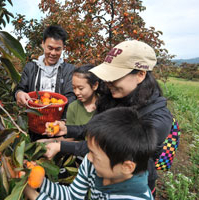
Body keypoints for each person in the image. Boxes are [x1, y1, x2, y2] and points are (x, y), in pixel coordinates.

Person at [43, 40, 173, 196]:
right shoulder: (115, 97)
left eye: (114, 76)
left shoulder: (156, 119)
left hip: (130, 189)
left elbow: (108, 147)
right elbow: (95, 129)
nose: (108, 82)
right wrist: (66, 129)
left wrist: (61, 146)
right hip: (104, 177)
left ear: (140, 74)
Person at [24, 107, 157, 200]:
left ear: (126, 167)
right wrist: (40, 181)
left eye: (94, 155)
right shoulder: (92, 164)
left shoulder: (133, 197)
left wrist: (34, 196)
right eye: (89, 150)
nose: (88, 157)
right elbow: (72, 196)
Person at [14, 25, 76, 141]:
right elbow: (20, 88)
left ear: (63, 48)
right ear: (43, 44)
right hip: (34, 125)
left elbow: (71, 96)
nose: (53, 53)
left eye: (58, 49)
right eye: (50, 48)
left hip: (58, 128)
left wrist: (62, 121)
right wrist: (19, 94)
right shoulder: (31, 68)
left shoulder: (69, 70)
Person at [41, 64, 101, 160]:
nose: (76, 92)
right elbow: (70, 138)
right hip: (77, 157)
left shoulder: (105, 106)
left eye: (81, 88)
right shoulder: (73, 107)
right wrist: (49, 141)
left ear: (95, 86)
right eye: (74, 88)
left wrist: (58, 145)